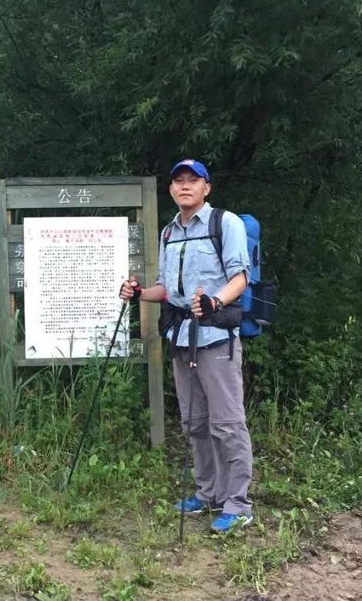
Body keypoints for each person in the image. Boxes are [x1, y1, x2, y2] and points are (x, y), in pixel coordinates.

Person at [119, 159, 254, 533]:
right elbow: (168, 290)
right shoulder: (169, 233)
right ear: (171, 190)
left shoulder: (225, 223)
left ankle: (238, 503)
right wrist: (140, 293)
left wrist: (216, 302)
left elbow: (240, 277)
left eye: (193, 181)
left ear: (206, 188)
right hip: (181, 339)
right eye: (178, 181)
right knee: (195, 422)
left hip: (216, 340)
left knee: (227, 423)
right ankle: (208, 493)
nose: (184, 187)